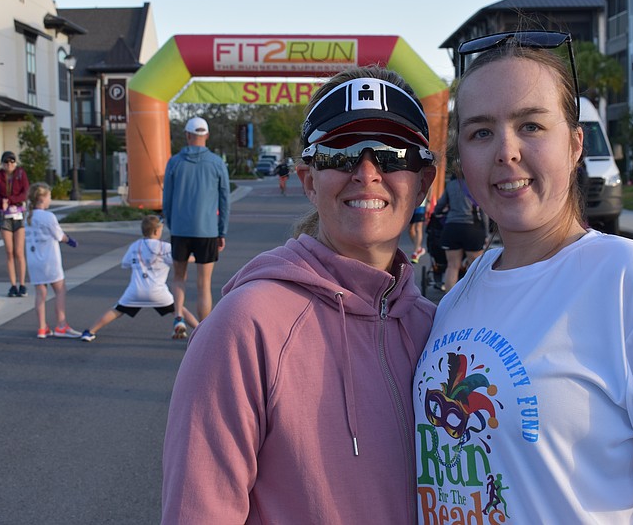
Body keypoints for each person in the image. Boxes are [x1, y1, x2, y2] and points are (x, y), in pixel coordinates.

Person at [413, 31, 633, 523]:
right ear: (462, 158)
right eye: (481, 132)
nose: (506, 150)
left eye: (531, 126)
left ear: (575, 144)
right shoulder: (460, 297)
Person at [161, 66, 438, 523]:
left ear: (423, 181)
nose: (367, 173)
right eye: (341, 154)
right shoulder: (246, 327)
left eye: (391, 155)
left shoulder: (436, 329)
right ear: (308, 179)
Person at [79, 215, 199, 343]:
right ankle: (202, 332)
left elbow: (125, 263)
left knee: (117, 310)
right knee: (180, 310)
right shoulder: (165, 247)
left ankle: (90, 332)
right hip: (158, 292)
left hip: (136, 290)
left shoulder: (135, 246)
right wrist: (197, 258)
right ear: (156, 231)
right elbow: (182, 259)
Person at [161, 116, 229, 338]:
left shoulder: (174, 162)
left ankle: (178, 319)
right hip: (207, 230)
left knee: (179, 278)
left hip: (180, 229)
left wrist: (171, 224)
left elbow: (167, 199)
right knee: (204, 283)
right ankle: (204, 331)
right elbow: (224, 200)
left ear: (188, 135)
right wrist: (222, 230)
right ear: (206, 135)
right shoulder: (217, 163)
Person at [24, 183, 81, 339]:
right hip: (49, 260)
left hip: (33, 260)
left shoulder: (27, 217)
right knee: (60, 290)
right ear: (42, 198)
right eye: (49, 196)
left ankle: (42, 328)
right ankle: (61, 325)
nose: (50, 199)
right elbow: (59, 236)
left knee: (40, 293)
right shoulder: (48, 216)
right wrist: (70, 241)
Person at [432, 168, 487, 291]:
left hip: (452, 227)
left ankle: (449, 300)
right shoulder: (474, 186)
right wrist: (486, 232)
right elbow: (483, 212)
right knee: (475, 267)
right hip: (472, 228)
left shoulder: (451, 185)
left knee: (452, 266)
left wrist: (438, 213)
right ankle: (473, 296)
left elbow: (440, 205)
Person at [0, 151, 29, 298]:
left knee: (19, 251)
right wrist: (1, 201)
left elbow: (25, 193)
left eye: (12, 162)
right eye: (6, 162)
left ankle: (22, 284)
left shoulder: (21, 174)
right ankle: (13, 285)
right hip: (4, 215)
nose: (9, 165)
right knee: (9, 251)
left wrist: (11, 200)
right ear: (2, 164)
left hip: (18, 214)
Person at [408, 195, 427, 263]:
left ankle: (415, 253)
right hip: (411, 203)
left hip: (421, 204)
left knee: (418, 228)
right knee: (410, 230)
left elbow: (430, 188)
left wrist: (429, 202)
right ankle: (419, 248)